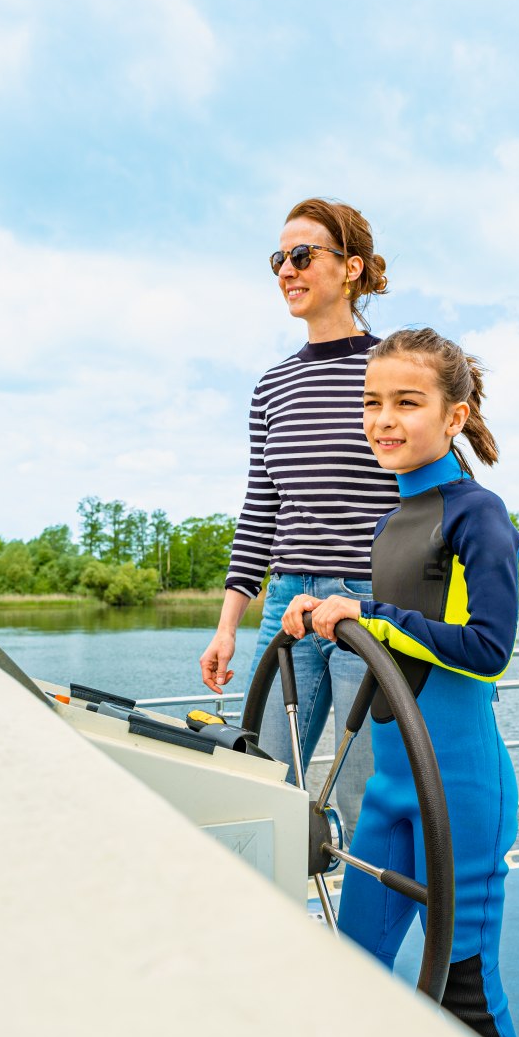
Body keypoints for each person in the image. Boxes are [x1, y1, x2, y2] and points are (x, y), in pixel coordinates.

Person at [280, 327, 519, 1037]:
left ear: (453, 417)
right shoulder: (392, 522)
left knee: (463, 992)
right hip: (391, 789)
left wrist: (372, 618)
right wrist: (320, 617)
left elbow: (489, 649)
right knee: (354, 969)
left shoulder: (477, 513)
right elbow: (392, 636)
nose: (383, 419)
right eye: (372, 402)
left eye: (406, 403)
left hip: (458, 789)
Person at [199, 198, 398, 843]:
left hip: (368, 603)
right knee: (263, 781)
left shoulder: (390, 372)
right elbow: (261, 510)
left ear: (351, 269)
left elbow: (427, 496)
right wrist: (226, 628)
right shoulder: (271, 387)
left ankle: (365, 938)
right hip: (286, 601)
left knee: (364, 791)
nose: (287, 269)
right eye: (278, 259)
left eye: (303, 255)